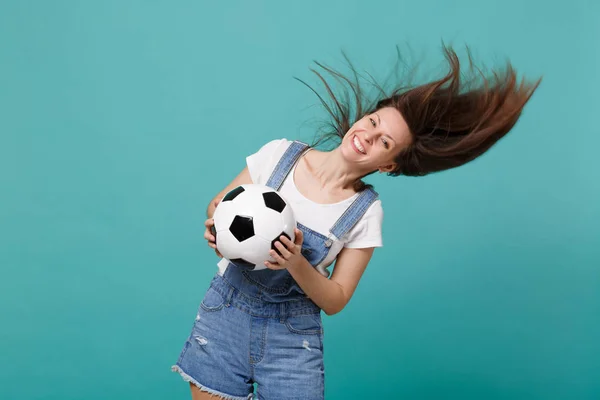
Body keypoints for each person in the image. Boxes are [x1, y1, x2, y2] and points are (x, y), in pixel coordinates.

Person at [171, 44, 541, 400]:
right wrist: (216, 227)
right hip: (226, 313)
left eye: (384, 142)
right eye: (373, 122)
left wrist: (295, 261)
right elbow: (218, 204)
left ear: (389, 164)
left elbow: (336, 300)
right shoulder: (279, 155)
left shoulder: (365, 212)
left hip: (290, 337)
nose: (368, 136)